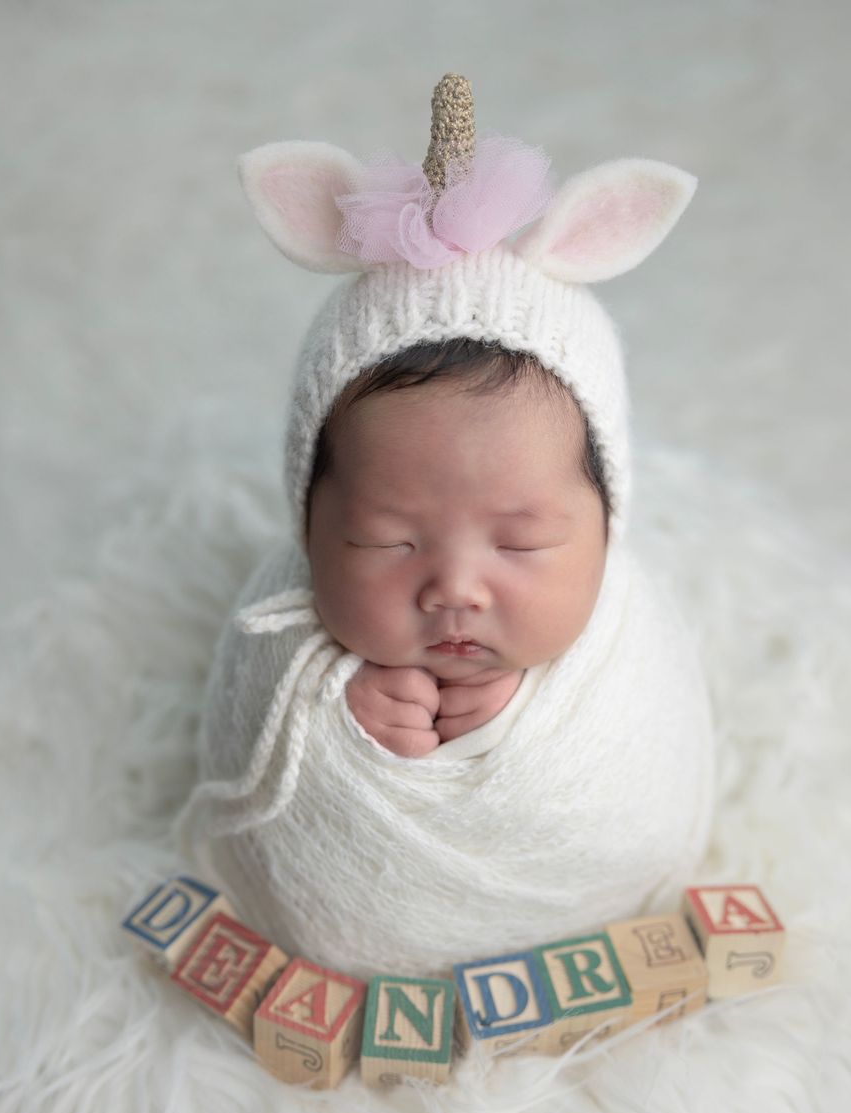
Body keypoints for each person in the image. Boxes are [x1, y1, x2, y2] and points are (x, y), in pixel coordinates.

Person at [177, 76, 714, 980]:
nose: (456, 587)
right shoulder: (280, 622)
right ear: (310, 523)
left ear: (605, 524)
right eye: (388, 539)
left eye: (522, 542)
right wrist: (336, 723)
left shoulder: (627, 634)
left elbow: (643, 775)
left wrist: (514, 737)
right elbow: (256, 752)